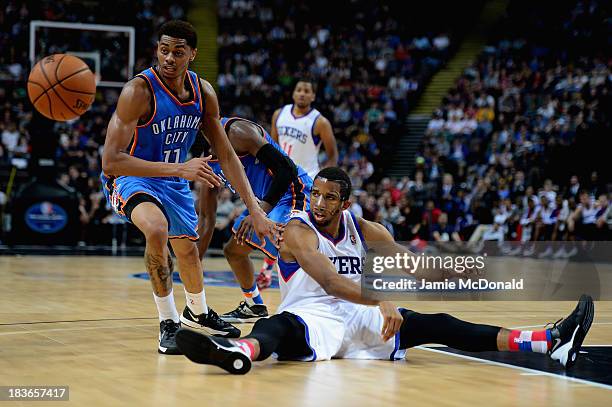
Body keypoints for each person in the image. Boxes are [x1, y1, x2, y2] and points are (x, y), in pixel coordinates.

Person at [175, 167, 594, 374]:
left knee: (440, 323)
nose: (318, 203)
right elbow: (330, 282)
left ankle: (546, 341)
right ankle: (236, 353)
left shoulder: (366, 229)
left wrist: (479, 272)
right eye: (315, 194)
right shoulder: (298, 232)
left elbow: (418, 269)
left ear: (345, 203)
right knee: (277, 326)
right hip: (313, 315)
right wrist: (382, 299)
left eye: (328, 197)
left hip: (359, 317)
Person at [101, 20, 280, 355]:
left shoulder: (203, 92)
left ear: (192, 55)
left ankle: (197, 312)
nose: (169, 57)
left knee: (187, 251)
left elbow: (226, 154)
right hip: (132, 176)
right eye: (163, 49)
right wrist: (180, 168)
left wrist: (256, 210)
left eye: (178, 52)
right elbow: (111, 161)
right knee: (156, 229)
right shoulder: (137, 91)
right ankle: (169, 323)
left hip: (174, 179)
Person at [198, 117, 312, 322]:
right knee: (234, 251)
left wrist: (259, 212)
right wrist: (193, 261)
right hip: (262, 203)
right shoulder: (207, 160)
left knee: (289, 247)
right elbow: (207, 217)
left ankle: (308, 308)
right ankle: (254, 305)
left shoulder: (238, 132)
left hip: (293, 191)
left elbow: (286, 169)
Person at [266, 78, 338, 286]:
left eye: (307, 91)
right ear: (293, 93)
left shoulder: (320, 121)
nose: (303, 94)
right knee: (276, 222)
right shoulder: (279, 115)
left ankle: (272, 266)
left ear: (313, 96)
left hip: (307, 181)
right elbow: (271, 147)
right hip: (282, 179)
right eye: (299, 90)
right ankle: (273, 265)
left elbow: (332, 154)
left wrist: (327, 179)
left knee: (298, 224)